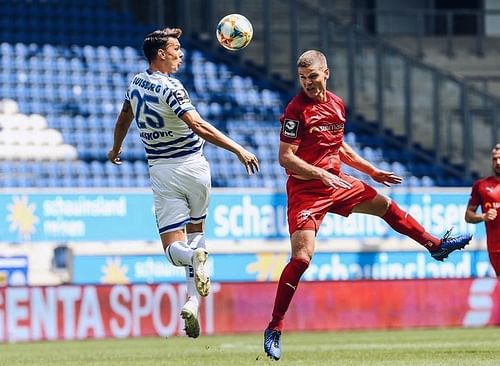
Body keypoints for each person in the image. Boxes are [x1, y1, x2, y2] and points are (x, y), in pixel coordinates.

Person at [263, 50, 472, 361]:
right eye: (303, 78)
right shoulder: (296, 111)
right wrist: (321, 173)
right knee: (303, 257)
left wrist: (370, 170)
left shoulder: (336, 104)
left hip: (337, 181)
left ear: (326, 73)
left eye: (313, 76)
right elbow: (286, 157)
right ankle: (275, 327)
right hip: (307, 190)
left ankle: (435, 245)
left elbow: (338, 145)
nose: (307, 83)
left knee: (386, 205)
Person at [108, 27, 259, 339]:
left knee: (173, 248)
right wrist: (238, 149)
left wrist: (115, 147)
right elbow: (199, 125)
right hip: (194, 168)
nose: (181, 54)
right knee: (196, 234)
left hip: (163, 171)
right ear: (160, 54)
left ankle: (192, 263)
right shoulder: (172, 89)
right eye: (176, 49)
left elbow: (124, 117)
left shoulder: (135, 83)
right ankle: (192, 301)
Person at [465, 144, 500, 278]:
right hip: (495, 247)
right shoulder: (481, 186)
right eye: (495, 159)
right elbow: (468, 216)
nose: (498, 162)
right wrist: (484, 216)